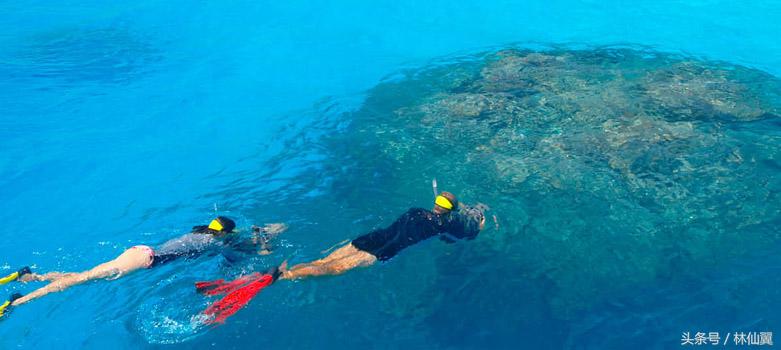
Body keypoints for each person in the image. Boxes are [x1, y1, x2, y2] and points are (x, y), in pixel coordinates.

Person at [0, 216, 287, 318]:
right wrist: (262, 245)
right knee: (80, 280)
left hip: (139, 253)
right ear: (225, 233)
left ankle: (30, 276)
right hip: (142, 260)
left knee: (85, 276)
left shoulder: (201, 233)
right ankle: (18, 303)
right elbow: (236, 257)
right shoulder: (214, 242)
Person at [280, 191, 486, 280]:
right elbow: (463, 234)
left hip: (371, 238)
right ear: (450, 211)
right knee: (331, 269)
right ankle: (282, 277)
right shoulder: (442, 225)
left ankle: (285, 272)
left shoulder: (416, 211)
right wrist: (478, 223)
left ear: (435, 204)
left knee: (323, 261)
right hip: (383, 251)